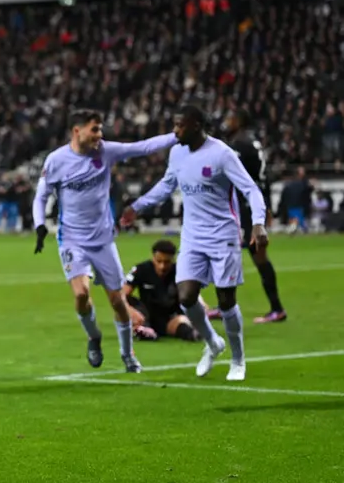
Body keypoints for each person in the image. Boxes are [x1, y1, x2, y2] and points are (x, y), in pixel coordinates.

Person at [121, 105, 269, 382]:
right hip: (192, 236)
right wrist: (138, 206)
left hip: (223, 234)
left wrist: (258, 222)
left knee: (226, 301)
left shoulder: (222, 154)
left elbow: (250, 188)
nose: (175, 131)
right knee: (186, 296)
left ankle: (238, 359)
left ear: (198, 125)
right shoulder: (177, 153)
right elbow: (166, 185)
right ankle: (213, 342)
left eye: (180, 125)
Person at [32, 108, 177, 372]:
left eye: (100, 129)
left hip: (103, 241)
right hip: (72, 240)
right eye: (95, 129)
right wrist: (40, 225)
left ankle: (127, 354)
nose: (100, 134)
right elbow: (41, 196)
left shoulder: (106, 151)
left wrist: (175, 136)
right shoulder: (56, 160)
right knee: (81, 294)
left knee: (117, 301)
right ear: (77, 131)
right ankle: (94, 337)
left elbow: (143, 147)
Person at [224, 108, 286, 323]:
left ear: (239, 121)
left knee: (240, 254)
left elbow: (231, 174)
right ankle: (226, 305)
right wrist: (266, 205)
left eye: (230, 118)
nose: (227, 121)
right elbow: (263, 177)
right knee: (231, 252)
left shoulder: (239, 144)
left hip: (246, 206)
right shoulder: (252, 141)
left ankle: (276, 308)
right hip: (253, 203)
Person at [123, 239, 200, 342]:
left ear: (173, 259)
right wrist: (131, 312)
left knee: (183, 324)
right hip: (145, 316)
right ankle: (144, 329)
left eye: (167, 262)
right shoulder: (141, 269)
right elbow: (122, 295)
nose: (162, 266)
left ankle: (193, 334)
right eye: (159, 261)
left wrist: (200, 304)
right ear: (153, 257)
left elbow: (190, 293)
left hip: (170, 318)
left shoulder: (180, 272)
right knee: (126, 302)